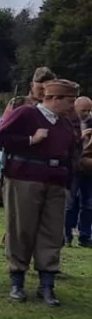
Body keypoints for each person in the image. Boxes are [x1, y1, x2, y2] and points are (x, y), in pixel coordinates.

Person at [0, 80, 80, 306]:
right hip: (25, 178)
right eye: (70, 101)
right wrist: (30, 140)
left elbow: (72, 154)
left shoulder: (65, 124)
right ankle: (17, 280)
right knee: (21, 228)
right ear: (54, 99)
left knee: (52, 232)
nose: (73, 106)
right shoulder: (25, 114)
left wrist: (68, 183)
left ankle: (47, 284)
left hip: (56, 181)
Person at [0, 67, 57, 205]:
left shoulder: (56, 107)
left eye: (47, 89)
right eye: (40, 88)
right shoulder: (18, 104)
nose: (44, 93)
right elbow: (1, 135)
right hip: (20, 166)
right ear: (32, 85)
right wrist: (30, 140)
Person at [64, 96, 92, 247]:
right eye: (83, 110)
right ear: (75, 108)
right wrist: (80, 137)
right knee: (69, 204)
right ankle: (66, 235)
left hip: (88, 169)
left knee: (88, 204)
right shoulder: (68, 122)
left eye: (89, 110)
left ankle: (85, 236)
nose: (86, 113)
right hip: (73, 169)